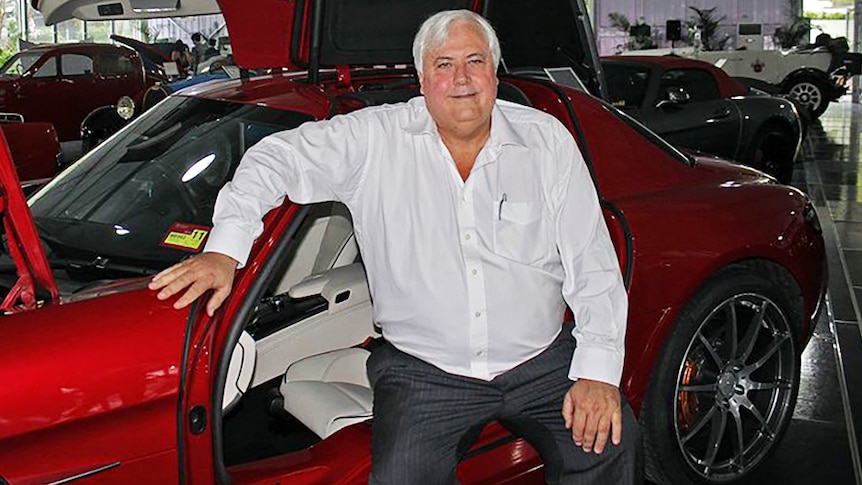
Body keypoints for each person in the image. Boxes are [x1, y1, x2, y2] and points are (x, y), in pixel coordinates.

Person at [150, 9, 641, 484]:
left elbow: (592, 263)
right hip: (427, 372)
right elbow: (272, 158)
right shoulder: (374, 141)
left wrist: (597, 373)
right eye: (444, 65)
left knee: (611, 444)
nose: (463, 78)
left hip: (540, 360)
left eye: (475, 61)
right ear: (422, 78)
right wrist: (225, 249)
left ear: (495, 71)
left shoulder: (546, 142)